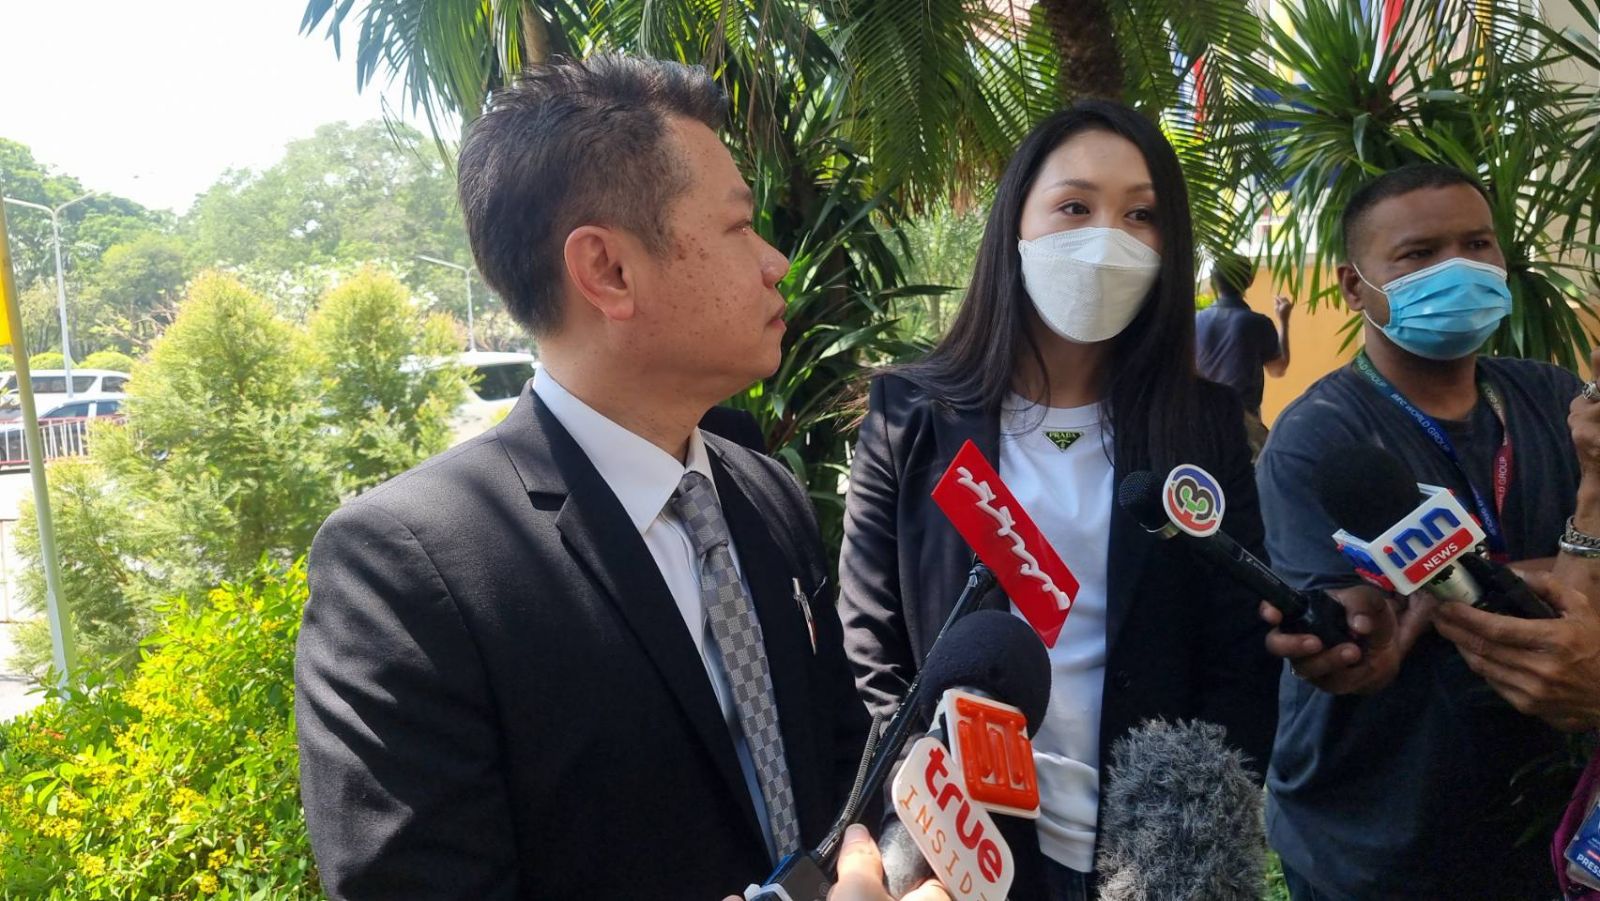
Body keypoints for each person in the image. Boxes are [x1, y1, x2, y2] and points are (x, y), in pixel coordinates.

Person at [294, 55, 869, 900]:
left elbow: (842, 763)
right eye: (739, 227)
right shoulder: (407, 573)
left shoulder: (763, 493)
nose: (775, 261)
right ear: (607, 270)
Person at [838, 100, 1280, 901]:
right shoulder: (910, 417)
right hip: (956, 856)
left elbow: (1239, 655)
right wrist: (929, 813)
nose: (1107, 238)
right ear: (1016, 223)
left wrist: (1189, 835)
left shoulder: (1205, 427)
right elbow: (871, 644)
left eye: (1141, 215)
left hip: (1145, 857)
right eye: (1075, 206)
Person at [1255, 163, 1586, 900]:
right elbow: (1358, 621)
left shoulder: (1554, 397)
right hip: (1376, 839)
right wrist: (1560, 571)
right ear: (1354, 286)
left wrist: (1433, 597)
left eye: (1478, 243)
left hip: (1543, 825)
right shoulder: (1318, 438)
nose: (1458, 268)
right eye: (1420, 254)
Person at [1194, 252, 1294, 454]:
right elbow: (1278, 369)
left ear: (1214, 281)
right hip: (1243, 426)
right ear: (1250, 280)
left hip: (1200, 422)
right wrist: (1283, 320)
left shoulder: (1195, 321)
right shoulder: (1257, 323)